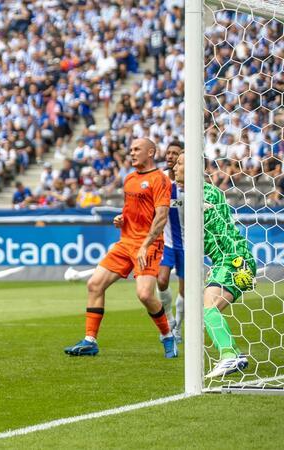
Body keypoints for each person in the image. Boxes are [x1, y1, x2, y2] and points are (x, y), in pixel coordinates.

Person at [64, 138, 177, 358]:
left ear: (151, 152)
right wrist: (121, 219)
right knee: (94, 284)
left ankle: (167, 334)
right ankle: (90, 340)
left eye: (137, 149)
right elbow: (130, 210)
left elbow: (161, 216)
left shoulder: (160, 180)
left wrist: (145, 245)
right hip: (126, 242)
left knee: (145, 295)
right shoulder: (129, 179)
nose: (132, 153)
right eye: (131, 149)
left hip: (149, 243)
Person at [173, 153, 256, 378]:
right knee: (207, 308)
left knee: (207, 305)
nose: (175, 166)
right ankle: (234, 354)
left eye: (180, 162)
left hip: (233, 258)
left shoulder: (204, 192)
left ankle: (229, 355)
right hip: (229, 259)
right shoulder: (193, 195)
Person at [158, 141, 184, 342]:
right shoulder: (161, 181)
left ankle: (179, 329)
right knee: (161, 280)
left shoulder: (191, 184)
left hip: (187, 245)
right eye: (168, 153)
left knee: (185, 289)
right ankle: (169, 320)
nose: (170, 156)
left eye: (175, 153)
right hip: (166, 243)